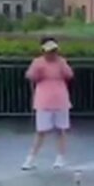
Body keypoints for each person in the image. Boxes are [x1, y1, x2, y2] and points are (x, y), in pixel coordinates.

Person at [21, 37, 74, 170]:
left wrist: (63, 65)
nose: (52, 54)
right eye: (49, 51)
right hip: (44, 100)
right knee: (41, 131)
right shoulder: (38, 62)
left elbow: (69, 74)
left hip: (60, 100)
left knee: (61, 130)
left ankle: (60, 157)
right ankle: (31, 159)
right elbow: (29, 75)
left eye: (54, 50)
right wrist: (37, 72)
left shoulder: (61, 62)